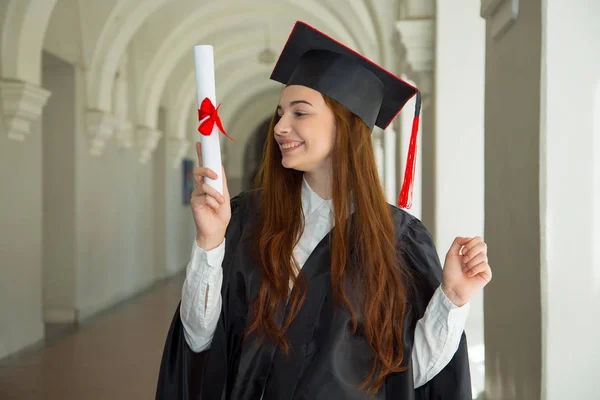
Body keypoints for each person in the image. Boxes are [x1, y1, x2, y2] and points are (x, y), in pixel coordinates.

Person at [156, 21, 492, 400]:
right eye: (280, 112)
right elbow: (200, 342)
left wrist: (452, 298)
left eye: (300, 113)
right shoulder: (246, 219)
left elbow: (407, 374)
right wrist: (209, 242)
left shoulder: (399, 240)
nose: (280, 126)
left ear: (346, 125)